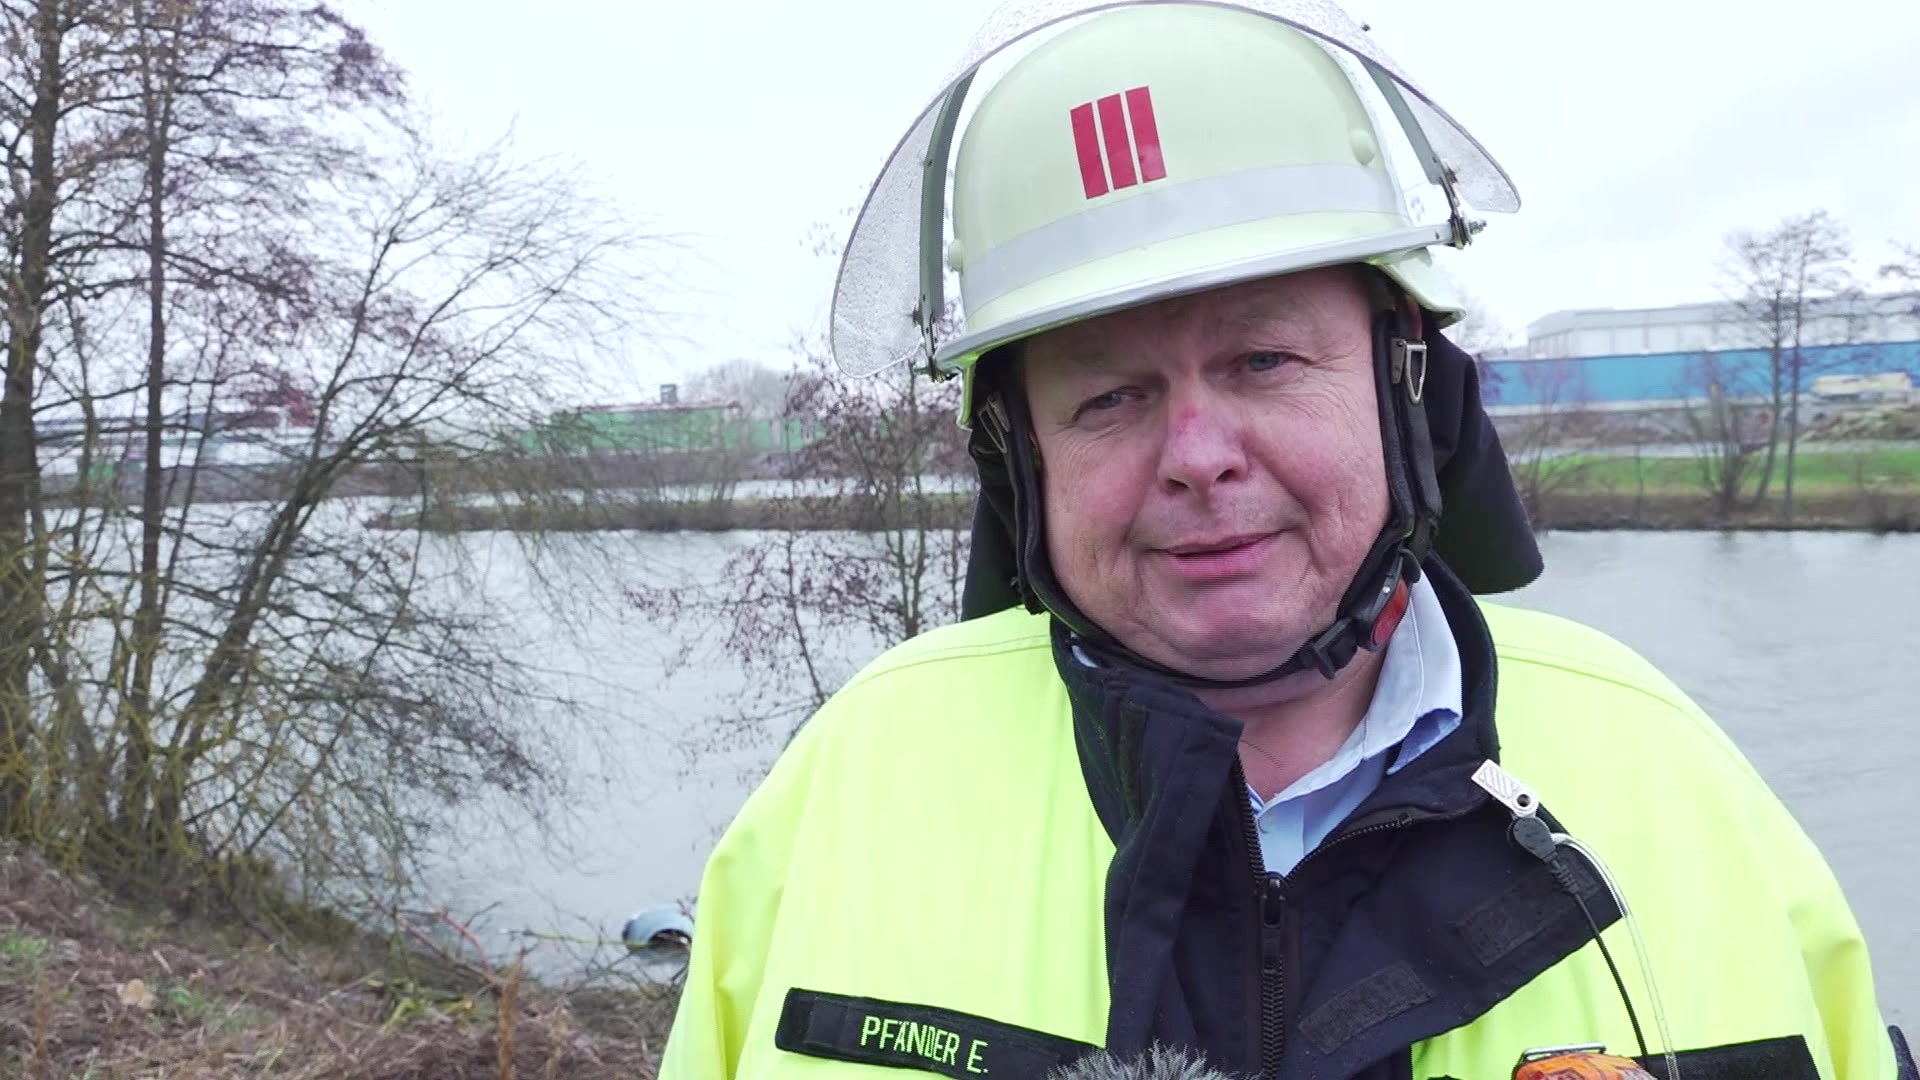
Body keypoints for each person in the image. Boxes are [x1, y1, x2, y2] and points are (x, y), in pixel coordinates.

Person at [659, 3, 1913, 1078]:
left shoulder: (1667, 770)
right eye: (1109, 395)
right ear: (1020, 463)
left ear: (1405, 390)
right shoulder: (849, 787)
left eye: (1263, 359)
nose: (1197, 455)